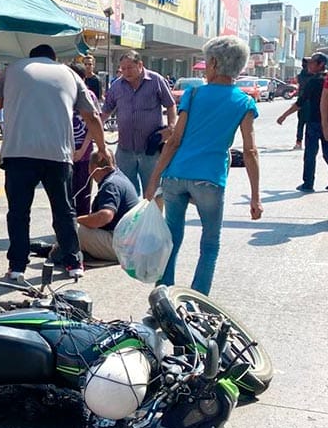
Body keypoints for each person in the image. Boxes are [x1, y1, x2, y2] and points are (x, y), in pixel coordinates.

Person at [144, 35, 262, 295]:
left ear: (215, 63)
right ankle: (197, 302)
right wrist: (255, 197)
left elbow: (174, 141)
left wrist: (154, 179)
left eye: (207, 62)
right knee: (210, 244)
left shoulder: (193, 94)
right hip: (210, 179)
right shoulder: (244, 102)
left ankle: (162, 295)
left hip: (176, 176)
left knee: (172, 238)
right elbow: (250, 150)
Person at [0, 44, 105, 281]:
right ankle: (73, 262)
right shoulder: (70, 74)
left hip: (18, 151)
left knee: (19, 212)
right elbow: (92, 115)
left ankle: (17, 266)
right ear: (54, 58)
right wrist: (102, 149)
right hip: (57, 153)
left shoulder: (12, 70)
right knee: (64, 210)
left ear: (31, 57)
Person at [101, 51, 177, 195]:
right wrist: (93, 131)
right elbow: (105, 112)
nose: (126, 72)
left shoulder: (156, 81)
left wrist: (171, 127)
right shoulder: (117, 86)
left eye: (130, 67)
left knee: (154, 192)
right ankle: (131, 218)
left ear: (140, 65)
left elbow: (170, 104)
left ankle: (154, 218)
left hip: (150, 150)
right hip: (125, 150)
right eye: (123, 69)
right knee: (125, 191)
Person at [277, 52, 328, 192]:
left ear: (321, 64)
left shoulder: (315, 81)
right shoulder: (321, 79)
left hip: (314, 123)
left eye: (313, 62)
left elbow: (300, 102)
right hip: (322, 122)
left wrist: (284, 115)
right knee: (326, 153)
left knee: (310, 154)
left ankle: (308, 184)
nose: (309, 65)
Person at [75, 149, 138, 261]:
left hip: (122, 246)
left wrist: (77, 220)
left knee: (75, 228)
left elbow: (105, 216)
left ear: (94, 167)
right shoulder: (119, 177)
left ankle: (61, 254)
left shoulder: (110, 185)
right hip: (130, 241)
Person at [68, 62, 98, 216]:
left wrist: (82, 150)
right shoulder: (64, 95)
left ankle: (83, 226)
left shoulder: (89, 96)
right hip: (66, 152)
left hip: (85, 153)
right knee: (66, 194)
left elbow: (93, 126)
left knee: (83, 191)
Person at [293, 58, 313, 149]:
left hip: (301, 101)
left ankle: (299, 142)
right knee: (310, 124)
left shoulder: (301, 75)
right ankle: (308, 142)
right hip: (311, 102)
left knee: (301, 123)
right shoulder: (313, 76)